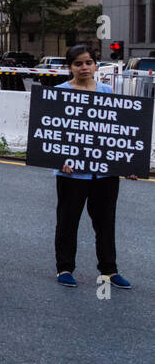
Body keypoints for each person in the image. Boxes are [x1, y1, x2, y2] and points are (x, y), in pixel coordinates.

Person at [51, 44, 135, 289]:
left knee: (106, 223)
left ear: (96, 65)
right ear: (70, 68)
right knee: (68, 221)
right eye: (78, 63)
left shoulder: (109, 91)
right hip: (71, 173)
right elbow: (52, 133)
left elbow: (119, 132)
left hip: (105, 173)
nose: (84, 67)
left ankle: (109, 270)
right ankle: (64, 268)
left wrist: (127, 162)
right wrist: (60, 161)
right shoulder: (59, 92)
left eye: (88, 62)